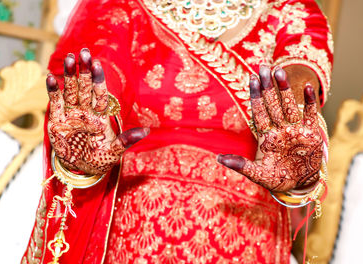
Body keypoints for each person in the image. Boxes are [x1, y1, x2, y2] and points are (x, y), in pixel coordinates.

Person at [21, 0, 333, 263]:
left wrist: (293, 128)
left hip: (246, 235)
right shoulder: (122, 6)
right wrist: (91, 130)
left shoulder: (289, 10)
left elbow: (299, 75)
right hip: (134, 229)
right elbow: (102, 70)